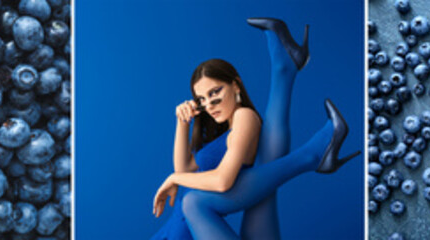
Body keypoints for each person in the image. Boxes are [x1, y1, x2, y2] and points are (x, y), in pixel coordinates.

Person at [150, 17, 355, 240]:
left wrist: (174, 178)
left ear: (235, 84)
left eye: (215, 93)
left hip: (187, 224)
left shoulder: (242, 117)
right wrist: (182, 123)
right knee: (205, 197)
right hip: (174, 231)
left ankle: (286, 74)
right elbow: (187, 171)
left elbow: (217, 181)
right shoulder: (228, 129)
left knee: (194, 201)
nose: (209, 105)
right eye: (202, 99)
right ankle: (286, 76)